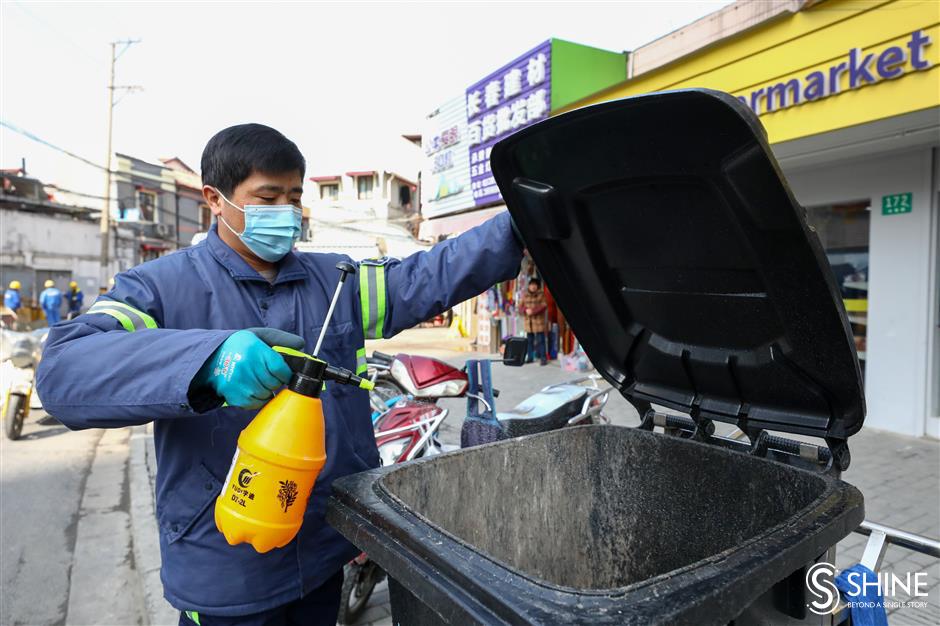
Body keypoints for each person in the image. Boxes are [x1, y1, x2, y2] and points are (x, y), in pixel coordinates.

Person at [36, 123, 523, 626]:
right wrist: (211, 359)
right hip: (226, 562)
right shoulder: (160, 288)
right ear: (215, 200)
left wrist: (514, 225)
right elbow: (64, 371)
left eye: (294, 197)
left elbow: (426, 276)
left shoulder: (333, 282)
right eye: (267, 196)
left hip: (321, 552)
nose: (286, 213)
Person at [522, 277, 548, 365]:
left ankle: (543, 358)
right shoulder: (525, 294)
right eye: (531, 285)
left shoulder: (541, 294)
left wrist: (532, 311)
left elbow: (544, 305)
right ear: (529, 286)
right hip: (528, 322)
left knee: (541, 340)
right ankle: (530, 357)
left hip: (538, 322)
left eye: (535, 285)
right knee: (529, 341)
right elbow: (520, 306)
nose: (533, 287)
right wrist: (525, 310)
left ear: (537, 286)